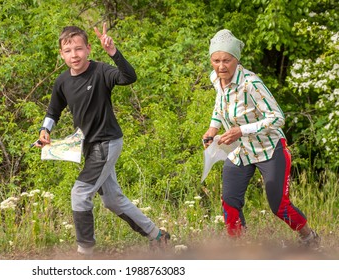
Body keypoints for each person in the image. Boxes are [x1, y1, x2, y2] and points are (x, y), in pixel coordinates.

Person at [35, 24, 170, 255]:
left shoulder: (101, 71)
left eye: (79, 49)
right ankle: (158, 236)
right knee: (112, 200)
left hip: (107, 142)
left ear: (88, 48)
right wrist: (44, 131)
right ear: (61, 54)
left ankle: (85, 252)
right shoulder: (62, 81)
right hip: (88, 146)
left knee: (80, 193)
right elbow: (52, 112)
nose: (74, 55)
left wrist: (113, 53)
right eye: (68, 51)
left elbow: (129, 77)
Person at [202, 29, 319, 247]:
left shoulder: (251, 83)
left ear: (236, 59)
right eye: (216, 60)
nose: (221, 66)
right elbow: (220, 106)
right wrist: (212, 130)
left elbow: (277, 118)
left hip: (269, 149)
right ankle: (239, 249)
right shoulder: (216, 80)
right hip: (241, 151)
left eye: (226, 60)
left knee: (279, 206)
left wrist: (241, 130)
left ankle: (309, 236)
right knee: (229, 201)